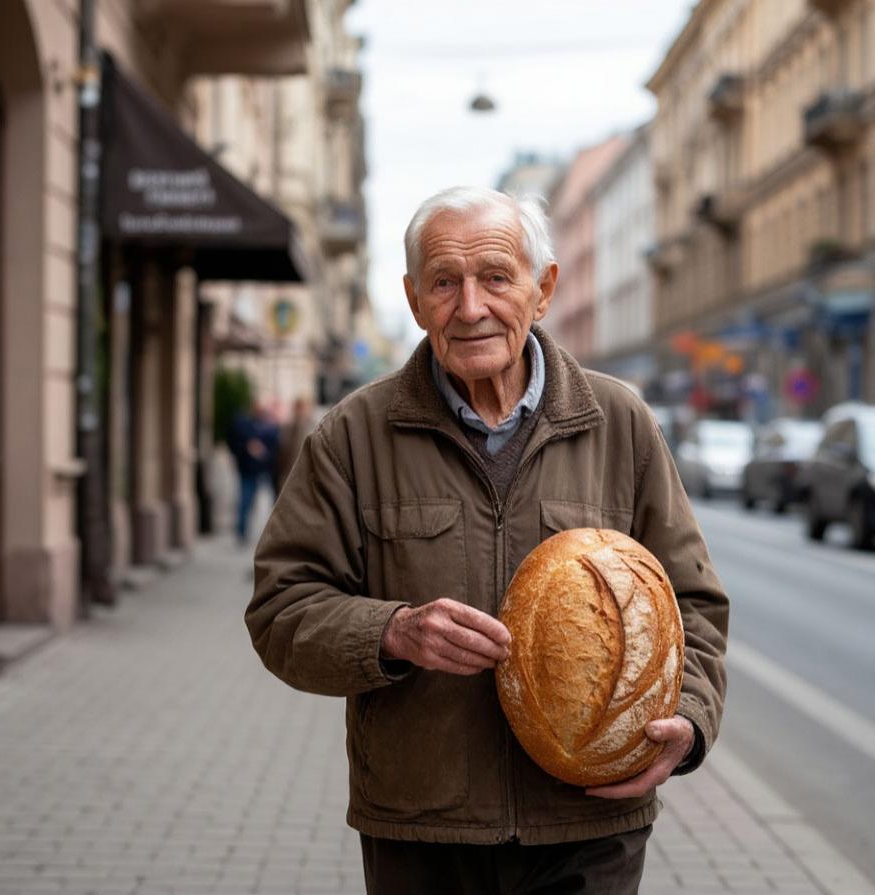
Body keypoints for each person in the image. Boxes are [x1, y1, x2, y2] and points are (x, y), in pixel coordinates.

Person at [246, 187, 729, 894]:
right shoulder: (355, 434)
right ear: (414, 301)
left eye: (497, 277)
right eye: (444, 282)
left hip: (590, 825)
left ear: (543, 289)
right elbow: (280, 610)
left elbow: (693, 603)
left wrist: (689, 718)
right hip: (424, 830)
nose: (470, 306)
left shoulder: (619, 422)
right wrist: (394, 632)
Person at [227, 399, 279, 547]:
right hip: (247, 469)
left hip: (259, 470)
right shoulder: (245, 424)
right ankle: (241, 531)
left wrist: (264, 453)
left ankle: (244, 531)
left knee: (252, 501)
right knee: (245, 499)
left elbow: (273, 447)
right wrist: (247, 448)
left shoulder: (267, 426)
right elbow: (236, 441)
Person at [273, 396, 317, 493]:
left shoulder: (314, 427)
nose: (301, 411)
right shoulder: (287, 427)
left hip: (306, 477)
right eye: (299, 407)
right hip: (287, 474)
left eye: (303, 407)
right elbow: (282, 449)